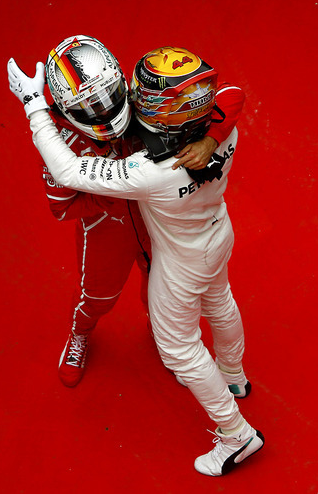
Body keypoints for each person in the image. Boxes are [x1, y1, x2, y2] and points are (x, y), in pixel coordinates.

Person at [8, 46, 264, 476]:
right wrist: (210, 138)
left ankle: (236, 434)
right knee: (220, 302)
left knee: (179, 350)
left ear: (168, 112)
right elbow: (233, 94)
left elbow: (68, 175)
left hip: (178, 260)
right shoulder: (220, 130)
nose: (134, 98)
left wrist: (33, 106)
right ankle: (234, 375)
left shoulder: (149, 169)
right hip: (217, 233)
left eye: (147, 96)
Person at [40, 35, 221, 387]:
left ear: (121, 81)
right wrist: (106, 198)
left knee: (163, 288)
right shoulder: (60, 144)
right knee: (96, 297)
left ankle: (166, 338)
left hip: (160, 223)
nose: (104, 111)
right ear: (65, 108)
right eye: (89, 107)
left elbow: (229, 96)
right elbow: (60, 209)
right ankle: (80, 333)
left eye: (110, 96)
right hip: (108, 232)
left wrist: (210, 138)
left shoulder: (146, 102)